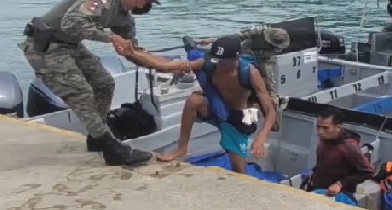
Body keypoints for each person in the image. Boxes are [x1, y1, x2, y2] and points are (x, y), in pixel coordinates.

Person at [19, 0, 161, 166]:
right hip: (44, 47)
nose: (145, 7)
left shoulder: (124, 18)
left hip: (70, 45)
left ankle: (96, 137)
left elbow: (132, 50)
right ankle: (111, 149)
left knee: (104, 83)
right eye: (147, 1)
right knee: (80, 92)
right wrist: (110, 38)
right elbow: (70, 23)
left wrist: (161, 64)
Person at [115, 35, 277, 173]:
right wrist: (131, 53)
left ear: (235, 59)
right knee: (194, 100)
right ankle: (182, 148)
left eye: (223, 61)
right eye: (216, 60)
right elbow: (165, 66)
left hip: (241, 116)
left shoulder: (250, 73)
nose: (218, 64)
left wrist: (261, 138)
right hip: (216, 106)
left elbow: (270, 112)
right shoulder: (207, 63)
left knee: (239, 169)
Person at [197, 27, 290, 131]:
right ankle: (246, 119)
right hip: (245, 55)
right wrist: (212, 40)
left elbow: (268, 61)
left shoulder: (277, 47)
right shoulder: (258, 31)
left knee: (269, 90)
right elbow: (235, 37)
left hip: (263, 60)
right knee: (247, 90)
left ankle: (271, 118)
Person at [303, 107, 374, 197]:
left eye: (325, 128)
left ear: (338, 127)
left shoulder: (349, 147)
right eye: (318, 127)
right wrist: (314, 172)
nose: (320, 132)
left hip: (337, 194)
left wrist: (340, 184)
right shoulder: (325, 139)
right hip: (317, 189)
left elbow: (368, 172)